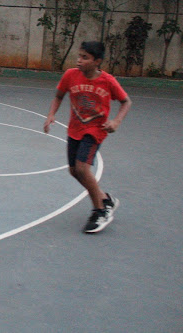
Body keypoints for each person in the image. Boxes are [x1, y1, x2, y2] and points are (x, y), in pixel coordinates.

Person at [43, 41, 132, 234]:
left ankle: (100, 211)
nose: (79, 60)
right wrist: (51, 114)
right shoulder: (70, 75)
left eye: (85, 58)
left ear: (97, 61)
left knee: (83, 168)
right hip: (74, 129)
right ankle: (105, 199)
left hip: (95, 130)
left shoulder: (107, 81)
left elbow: (126, 102)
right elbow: (59, 96)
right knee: (74, 171)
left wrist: (116, 121)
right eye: (79, 56)